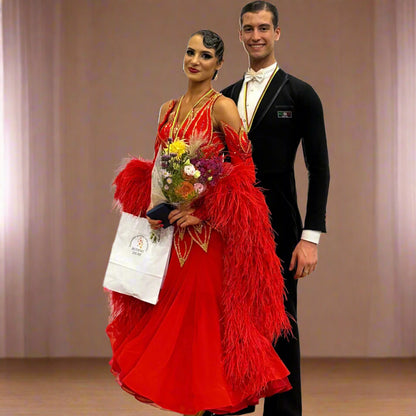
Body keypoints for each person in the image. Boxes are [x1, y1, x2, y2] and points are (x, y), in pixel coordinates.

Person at [105, 29, 293, 416]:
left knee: (205, 327)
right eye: (190, 52)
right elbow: (160, 168)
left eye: (205, 55)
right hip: (171, 234)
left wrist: (201, 212)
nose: (195, 60)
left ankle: (217, 403)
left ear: (219, 64)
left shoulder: (223, 108)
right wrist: (155, 209)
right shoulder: (168, 109)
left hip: (207, 236)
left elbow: (245, 171)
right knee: (173, 330)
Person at [221, 2, 330, 416]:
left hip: (281, 222)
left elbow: (319, 169)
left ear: (277, 33)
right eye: (248, 29)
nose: (256, 36)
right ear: (240, 34)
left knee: (282, 322)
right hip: (232, 223)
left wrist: (310, 238)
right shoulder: (225, 97)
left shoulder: (301, 94)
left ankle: (284, 413)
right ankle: (231, 403)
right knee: (231, 316)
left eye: (264, 28)